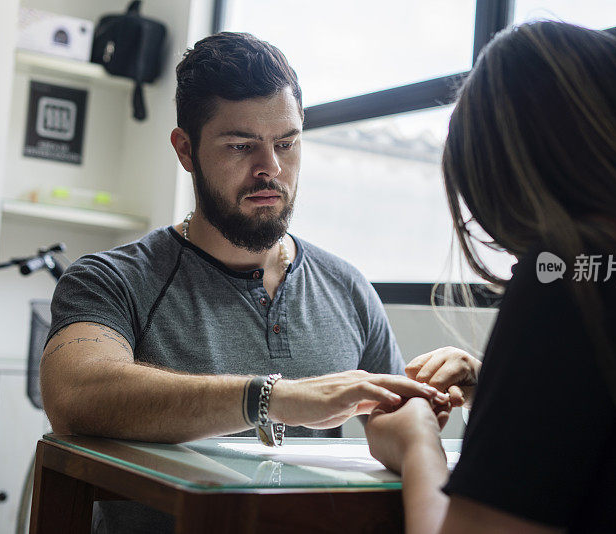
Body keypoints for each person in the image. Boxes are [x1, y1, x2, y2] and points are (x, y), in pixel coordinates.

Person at [39, 32, 451, 533]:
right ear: (185, 150)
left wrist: (435, 403)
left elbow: (387, 420)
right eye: (241, 146)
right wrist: (270, 398)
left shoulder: (347, 288)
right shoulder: (112, 279)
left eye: (286, 143)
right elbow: (75, 395)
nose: (270, 169)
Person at [366, 22, 616, 533]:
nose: (517, 255)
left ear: (516, 180)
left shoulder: (574, 273)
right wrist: (502, 384)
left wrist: (417, 443)